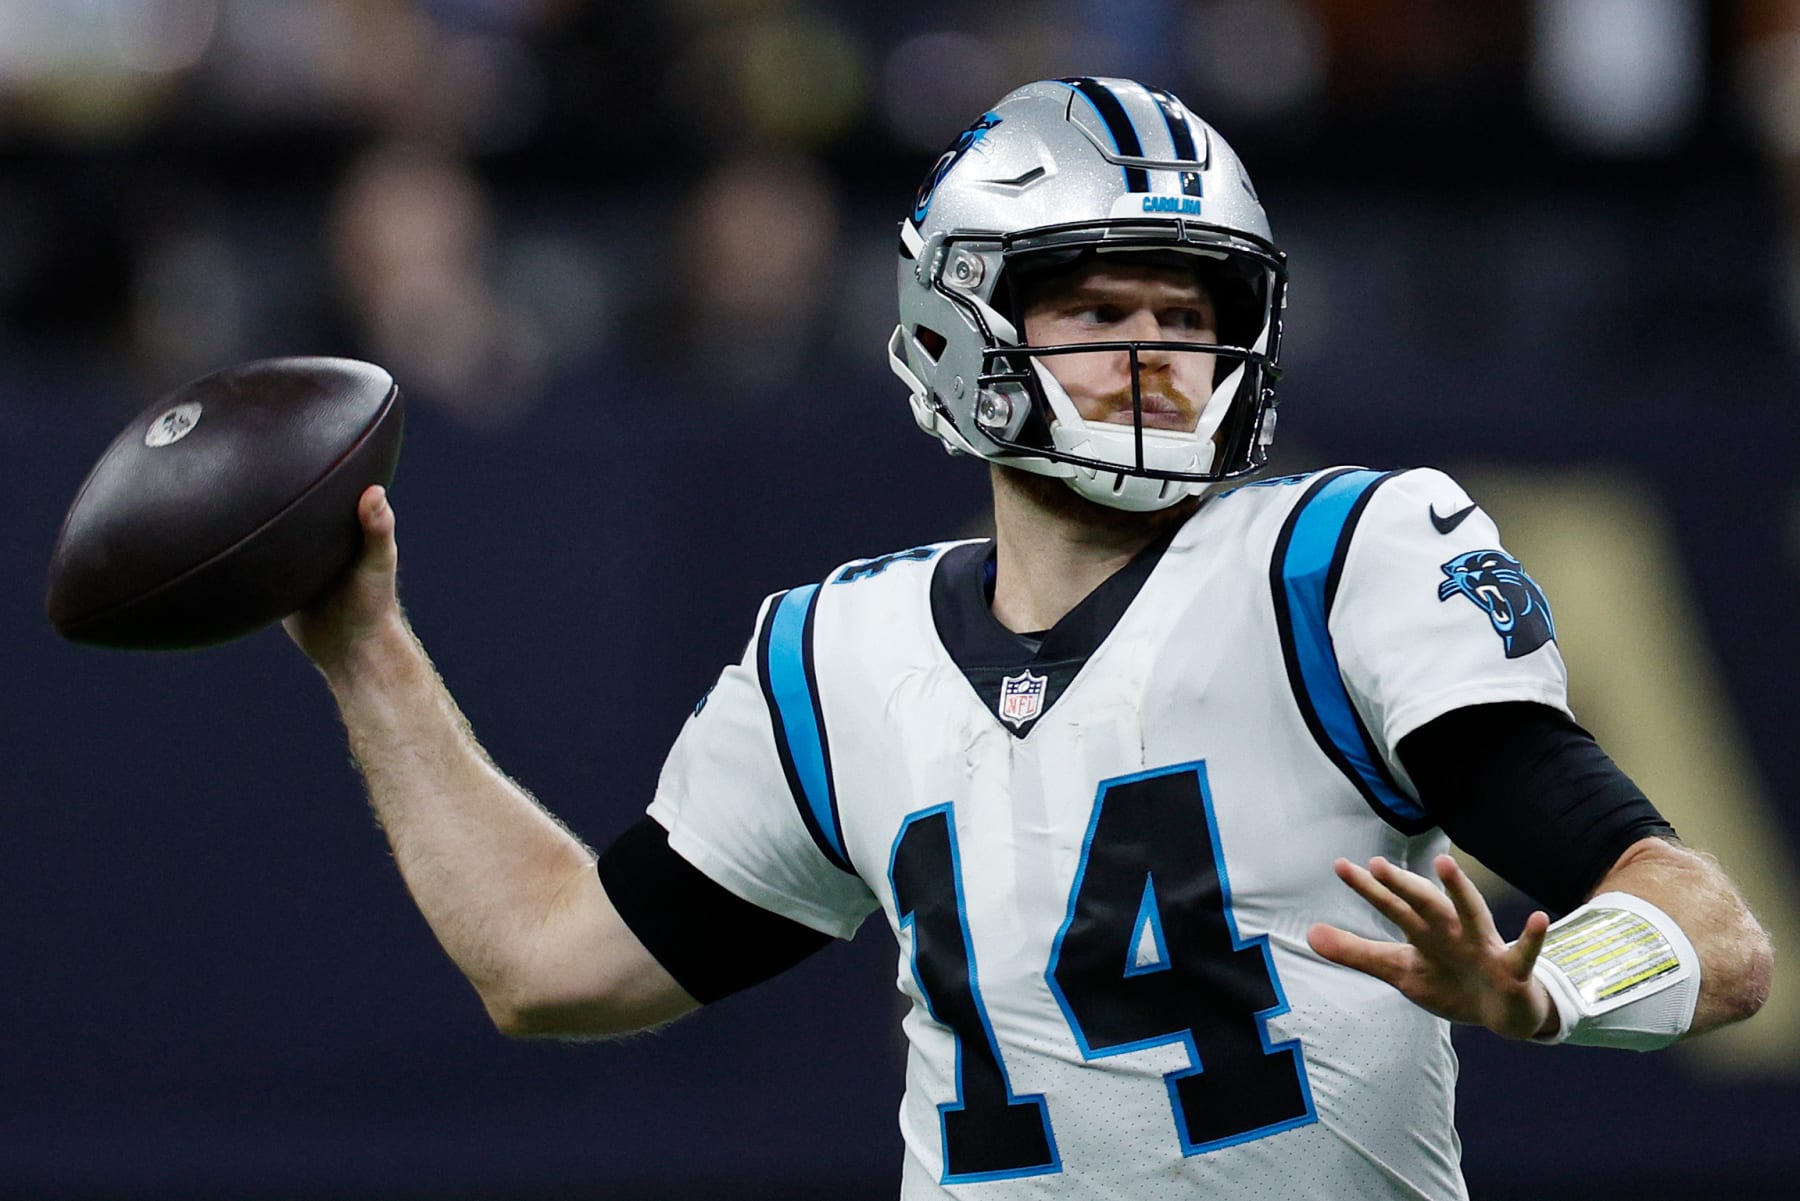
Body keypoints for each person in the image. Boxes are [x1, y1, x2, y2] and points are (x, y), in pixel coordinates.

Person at [287, 79, 1773, 1199]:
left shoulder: (1338, 563)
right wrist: (366, 650)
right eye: (1096, 306)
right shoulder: (837, 654)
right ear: (958, 322)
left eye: (1188, 314)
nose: (1151, 355)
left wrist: (1549, 987)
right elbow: (552, 962)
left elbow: (1713, 930)